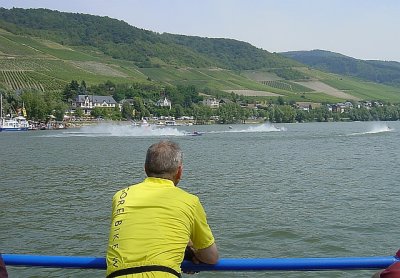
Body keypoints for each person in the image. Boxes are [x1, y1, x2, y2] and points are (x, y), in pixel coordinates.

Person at [106, 140, 218, 278]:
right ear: (179, 172)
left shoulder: (120, 196)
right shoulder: (190, 201)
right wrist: (190, 252)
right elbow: (211, 257)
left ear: (145, 168)